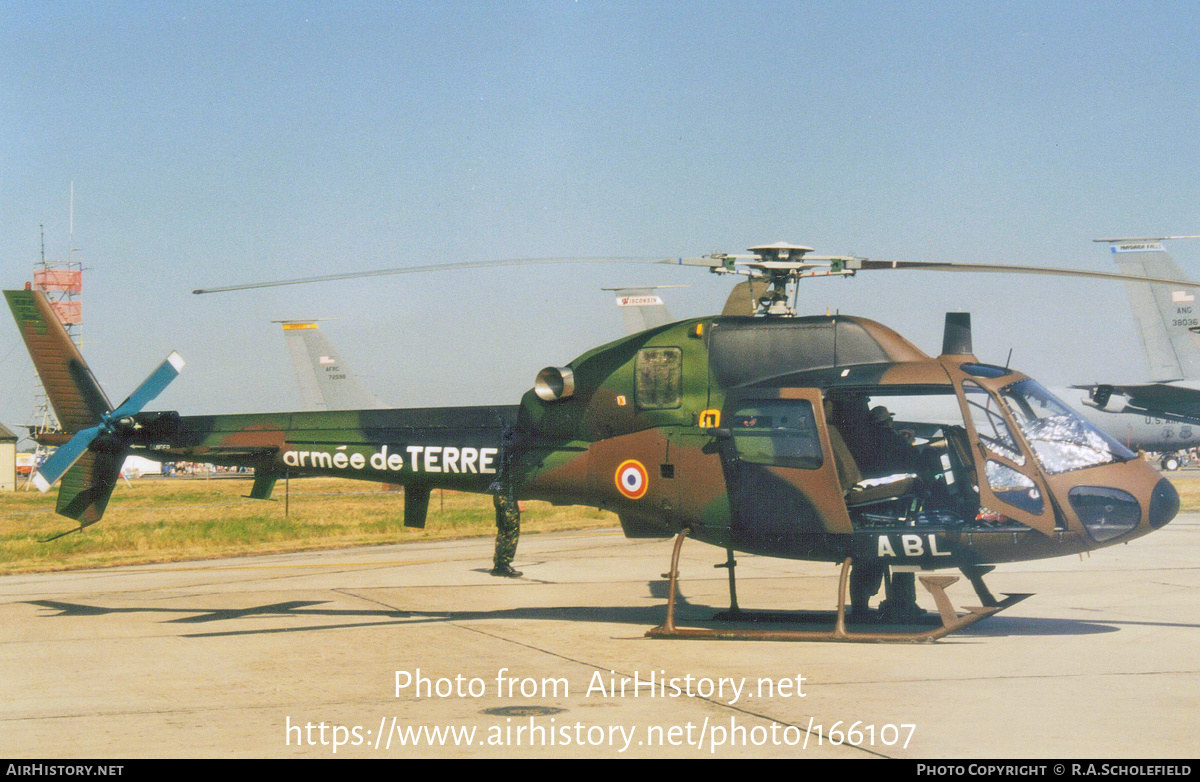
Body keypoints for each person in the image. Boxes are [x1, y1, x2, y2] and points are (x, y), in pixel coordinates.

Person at [491, 490, 521, 577]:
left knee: (503, 531)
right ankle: (503, 565)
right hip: (507, 498)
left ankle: (499, 565)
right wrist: (518, 499)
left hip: (500, 496)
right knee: (511, 530)